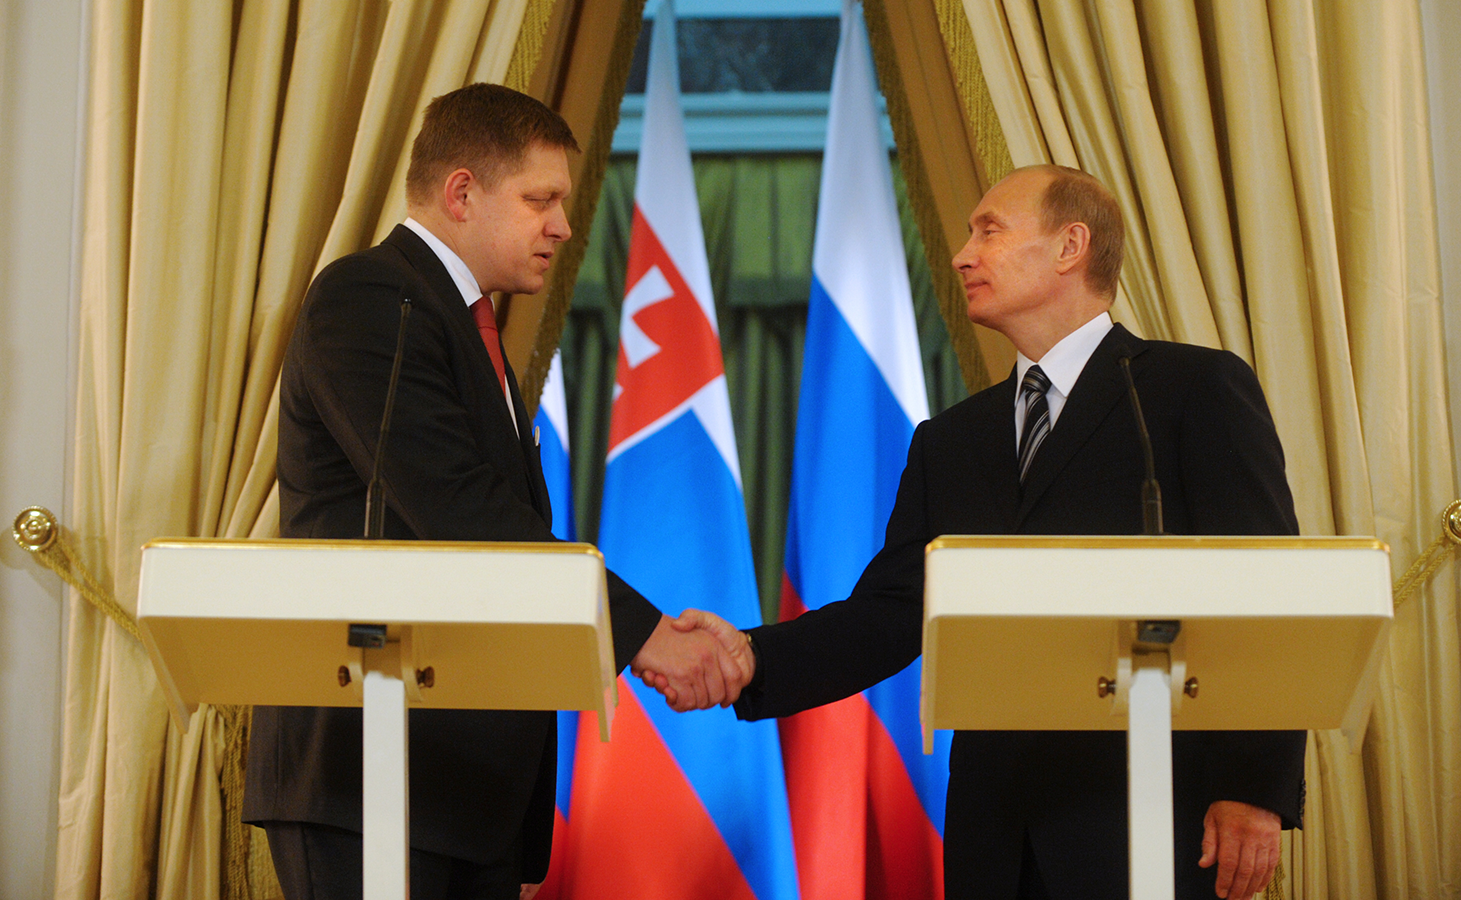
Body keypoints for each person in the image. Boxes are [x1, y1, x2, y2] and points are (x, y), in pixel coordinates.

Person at [643, 165, 1304, 900]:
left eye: (989, 230)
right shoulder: (951, 439)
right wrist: (750, 656)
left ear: (1069, 247)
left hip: (1153, 812)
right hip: (996, 829)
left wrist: (1255, 785)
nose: (962, 255)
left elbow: (1263, 592)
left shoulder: (1191, 392)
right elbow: (894, 613)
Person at [244, 83, 748, 900]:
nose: (563, 226)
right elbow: (459, 509)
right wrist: (640, 633)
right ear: (462, 192)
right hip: (372, 771)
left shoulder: (462, 322)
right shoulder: (371, 300)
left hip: (459, 788)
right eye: (541, 199)